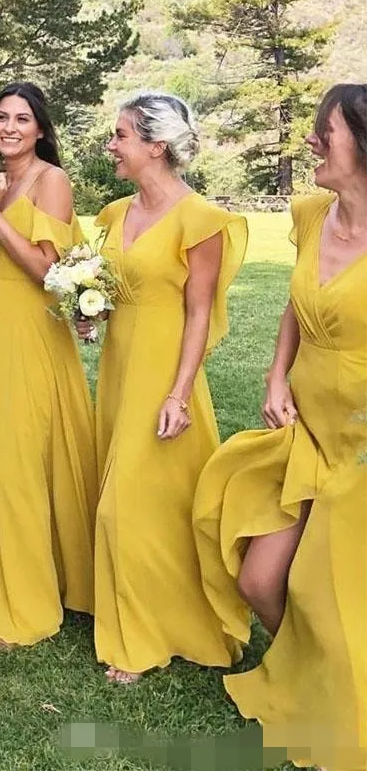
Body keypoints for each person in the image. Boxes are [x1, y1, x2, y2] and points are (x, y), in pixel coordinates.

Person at [194, 83, 367, 769]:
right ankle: (314, 681)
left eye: (324, 130)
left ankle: (341, 710)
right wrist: (274, 376)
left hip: (359, 443)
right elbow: (299, 306)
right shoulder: (309, 211)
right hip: (306, 424)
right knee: (261, 581)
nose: (311, 141)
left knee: (327, 595)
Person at [83, 92, 247, 683]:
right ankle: (146, 613)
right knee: (138, 501)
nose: (111, 146)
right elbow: (104, 288)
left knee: (130, 503)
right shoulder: (112, 214)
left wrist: (178, 392)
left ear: (156, 145)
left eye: (120, 136)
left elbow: (199, 313)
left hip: (165, 373)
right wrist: (88, 313)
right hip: (119, 366)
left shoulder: (200, 219)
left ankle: (145, 637)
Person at [0, 82, 97, 649]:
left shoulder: (51, 181)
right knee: (5, 453)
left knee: (22, 459)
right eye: (2, 117)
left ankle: (27, 605)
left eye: (22, 119)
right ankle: (45, 575)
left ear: (41, 129)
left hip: (33, 333)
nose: (10, 127)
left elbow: (45, 269)